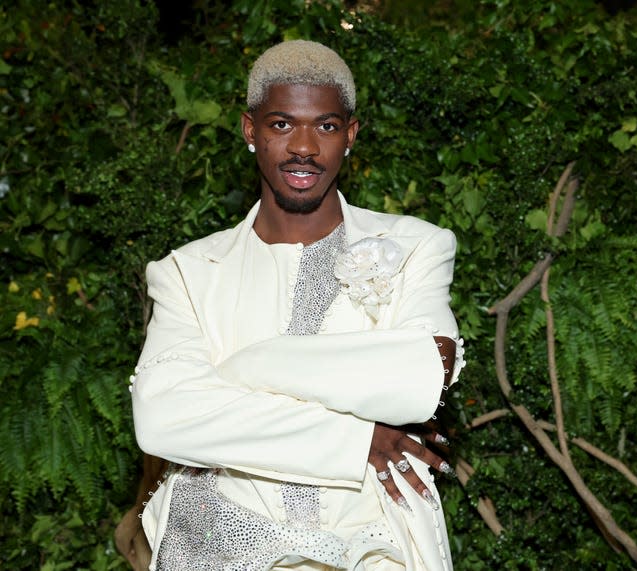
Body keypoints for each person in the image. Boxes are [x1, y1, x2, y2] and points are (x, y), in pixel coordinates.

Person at [129, 40, 465, 571]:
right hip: (217, 546)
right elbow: (163, 417)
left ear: (350, 135)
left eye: (326, 126)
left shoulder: (415, 247)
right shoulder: (188, 273)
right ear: (250, 130)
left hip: (373, 546)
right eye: (282, 124)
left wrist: (243, 369)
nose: (304, 146)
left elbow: (419, 378)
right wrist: (358, 439)